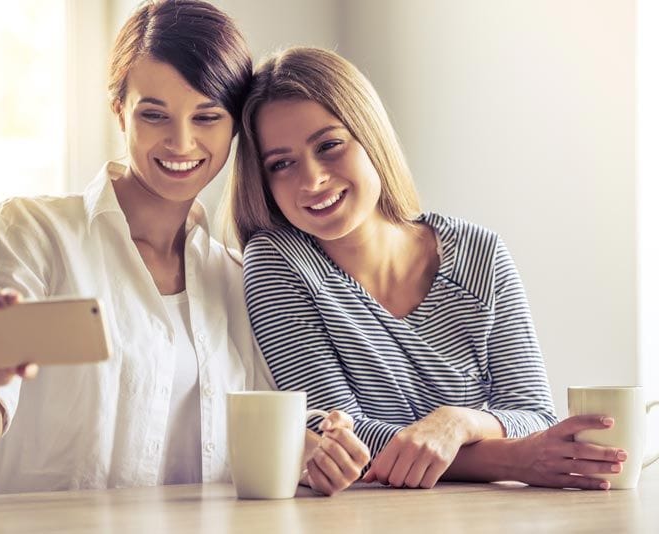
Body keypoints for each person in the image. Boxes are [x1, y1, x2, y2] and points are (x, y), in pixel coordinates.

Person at [0, 3, 368, 496]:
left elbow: (268, 446)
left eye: (207, 116)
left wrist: (314, 450)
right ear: (119, 110)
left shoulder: (234, 278)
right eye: (154, 114)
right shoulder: (35, 233)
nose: (181, 142)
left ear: (234, 127)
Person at [227, 46, 628, 490]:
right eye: (281, 164)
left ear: (370, 135)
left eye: (330, 145)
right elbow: (338, 439)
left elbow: (535, 414)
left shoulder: (482, 254)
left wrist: (456, 423)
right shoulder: (278, 264)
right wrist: (510, 460)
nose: (312, 179)